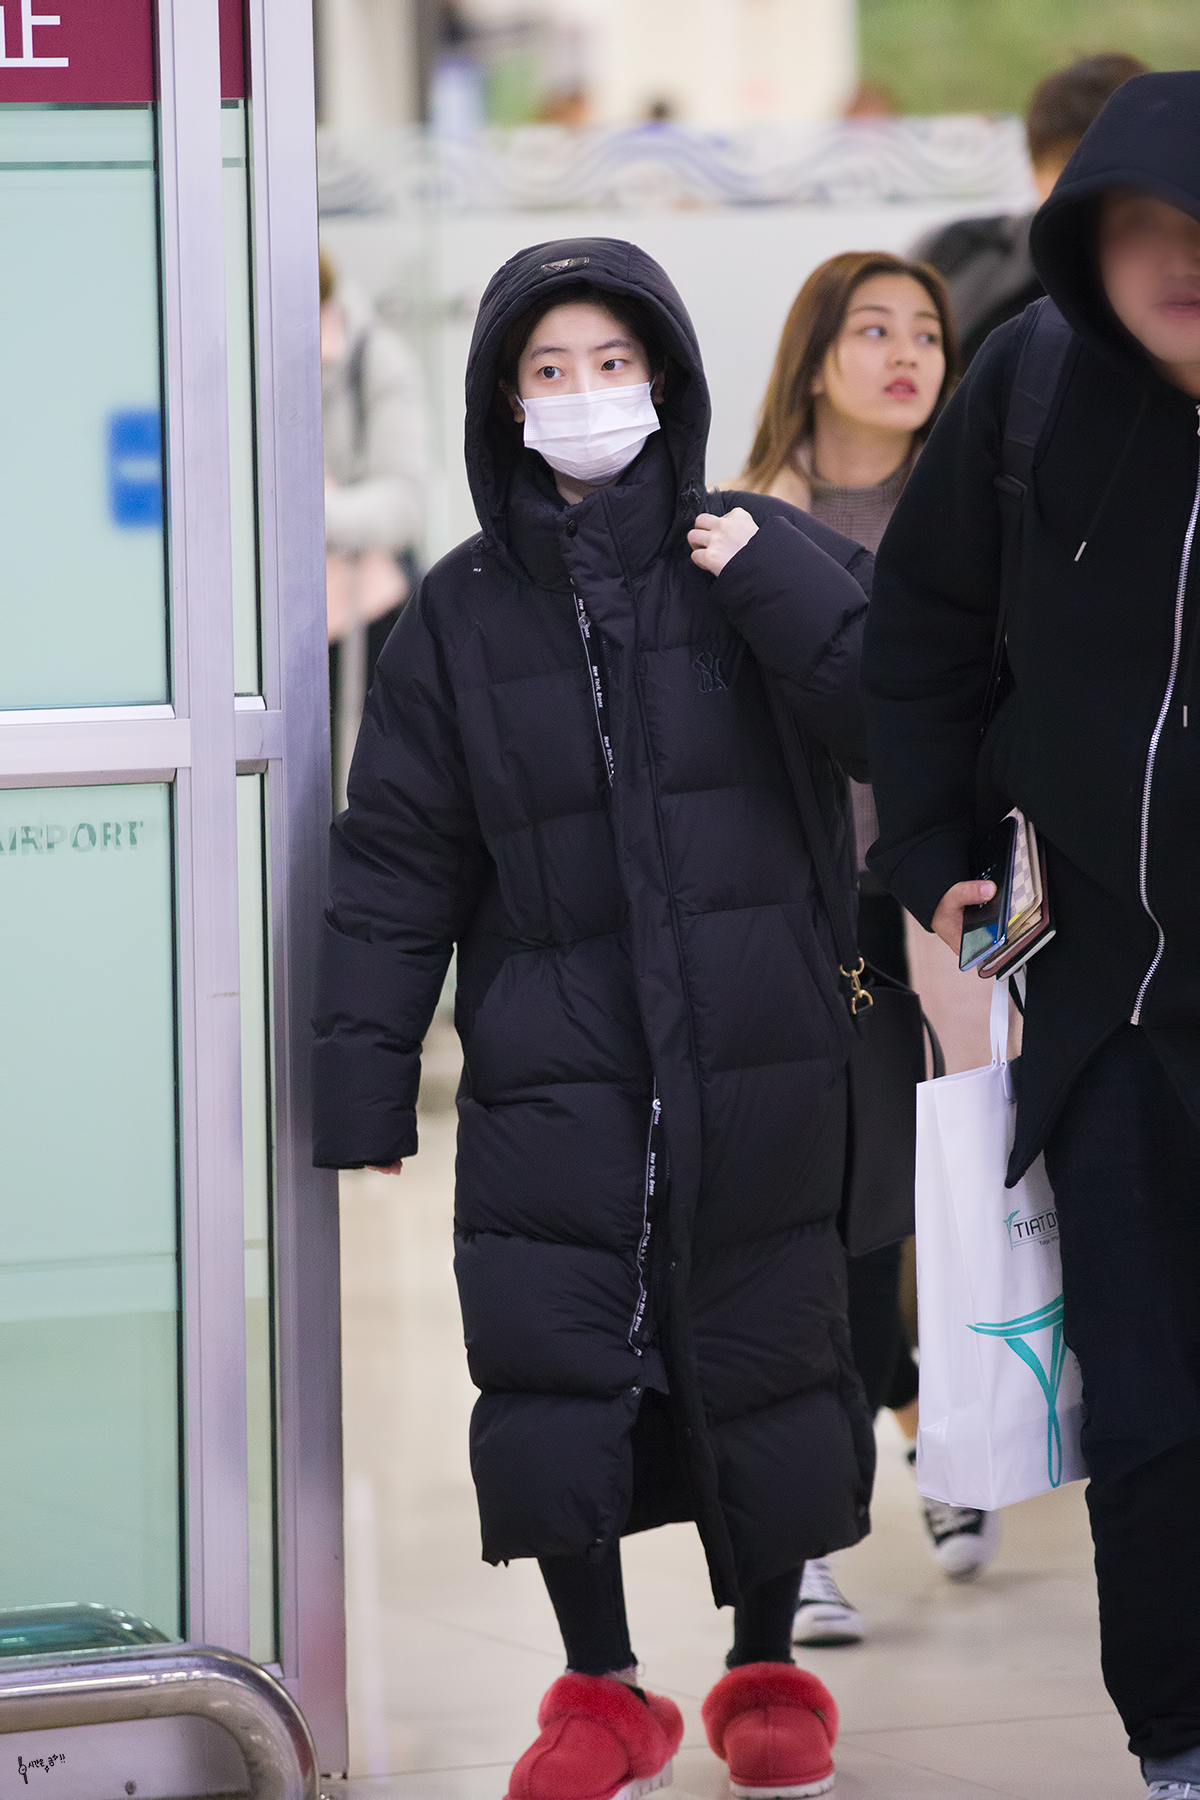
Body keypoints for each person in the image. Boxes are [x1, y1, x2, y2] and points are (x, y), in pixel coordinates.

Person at [314, 236, 878, 1800]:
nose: (584, 394)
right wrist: (363, 1081)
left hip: (758, 1034)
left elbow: (892, 709)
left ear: (666, 378)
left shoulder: (753, 549)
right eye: (550, 370)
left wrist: (766, 580)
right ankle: (603, 1685)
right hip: (554, 1048)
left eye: (612, 364)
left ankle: (766, 1662)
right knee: (558, 1352)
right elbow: (397, 857)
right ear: (506, 401)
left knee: (768, 1338)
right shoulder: (458, 611)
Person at [862, 71, 1200, 1798]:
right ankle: (1181, 1738)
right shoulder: (1036, 384)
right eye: (1137, 228)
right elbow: (920, 629)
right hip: (1115, 1015)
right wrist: (932, 849)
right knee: (1150, 1409)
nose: (1174, 260)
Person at [738, 251, 994, 1645]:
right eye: (873, 329)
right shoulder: (742, 519)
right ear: (815, 353)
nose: (907, 354)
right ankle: (818, 1531)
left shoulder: (978, 513)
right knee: (836, 1217)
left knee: (945, 1196)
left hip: (958, 905)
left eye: (928, 334)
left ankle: (954, 1440)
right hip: (802, 912)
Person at [914, 52, 1148, 366]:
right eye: (1067, 162)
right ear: (1034, 171)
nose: (1086, 185)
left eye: (1110, 164)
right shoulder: (956, 251)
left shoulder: (1179, 273)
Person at [320, 248, 427, 803]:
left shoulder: (374, 359)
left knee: (361, 791)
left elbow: (406, 501)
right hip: (265, 627)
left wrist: (312, 515)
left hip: (365, 615)